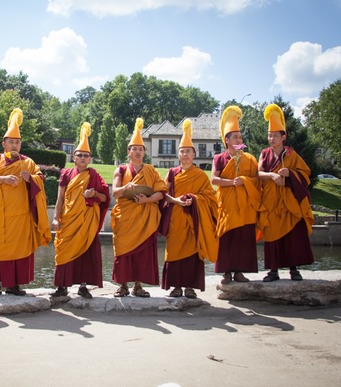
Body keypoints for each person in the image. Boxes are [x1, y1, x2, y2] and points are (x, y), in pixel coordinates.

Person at [0, 108, 51, 297]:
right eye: (11, 142)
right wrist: (3, 180)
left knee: (19, 247)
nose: (14, 145)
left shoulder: (27, 162)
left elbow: (40, 179)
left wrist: (30, 178)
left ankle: (14, 285)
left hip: (21, 215)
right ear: (3, 143)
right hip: (0, 213)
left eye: (17, 142)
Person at [50, 122, 110, 298]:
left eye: (86, 155)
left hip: (87, 221)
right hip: (68, 219)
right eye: (79, 155)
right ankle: (62, 287)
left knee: (86, 252)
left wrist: (95, 194)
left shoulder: (94, 175)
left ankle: (83, 286)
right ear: (74, 157)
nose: (83, 158)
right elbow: (60, 198)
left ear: (90, 158)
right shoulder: (66, 174)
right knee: (64, 251)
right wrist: (55, 218)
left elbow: (106, 198)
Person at [161, 119, 219, 299]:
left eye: (188, 151)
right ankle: (176, 286)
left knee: (193, 254)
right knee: (174, 251)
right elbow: (162, 193)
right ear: (178, 155)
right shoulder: (171, 173)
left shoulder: (200, 175)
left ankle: (190, 288)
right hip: (176, 219)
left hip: (195, 220)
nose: (185, 154)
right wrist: (176, 201)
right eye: (182, 151)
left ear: (194, 154)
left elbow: (210, 198)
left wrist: (193, 199)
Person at [111, 118, 168, 298]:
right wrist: (125, 188)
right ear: (128, 152)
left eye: (140, 149)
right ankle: (122, 285)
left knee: (142, 253)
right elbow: (115, 193)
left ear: (144, 152)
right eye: (134, 149)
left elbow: (162, 192)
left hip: (144, 216)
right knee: (123, 251)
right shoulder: (120, 170)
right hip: (125, 216)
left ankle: (138, 286)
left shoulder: (151, 170)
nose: (137, 152)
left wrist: (147, 200)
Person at [258, 103, 314, 281]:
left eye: (275, 136)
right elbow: (257, 174)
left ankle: (293, 269)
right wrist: (272, 176)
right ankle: (273, 270)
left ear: (284, 137)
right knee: (272, 235)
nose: (271, 139)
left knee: (292, 236)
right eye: (269, 136)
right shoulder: (265, 154)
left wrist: (290, 173)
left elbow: (305, 174)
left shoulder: (292, 155)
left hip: (289, 202)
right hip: (271, 202)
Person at [211, 106, 264, 284]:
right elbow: (214, 180)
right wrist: (232, 182)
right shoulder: (219, 158)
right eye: (235, 136)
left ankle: (240, 272)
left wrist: (244, 181)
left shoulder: (249, 158)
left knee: (243, 238)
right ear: (227, 140)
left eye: (240, 136)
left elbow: (256, 180)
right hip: (226, 205)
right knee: (227, 238)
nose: (239, 139)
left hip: (245, 205)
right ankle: (226, 272)